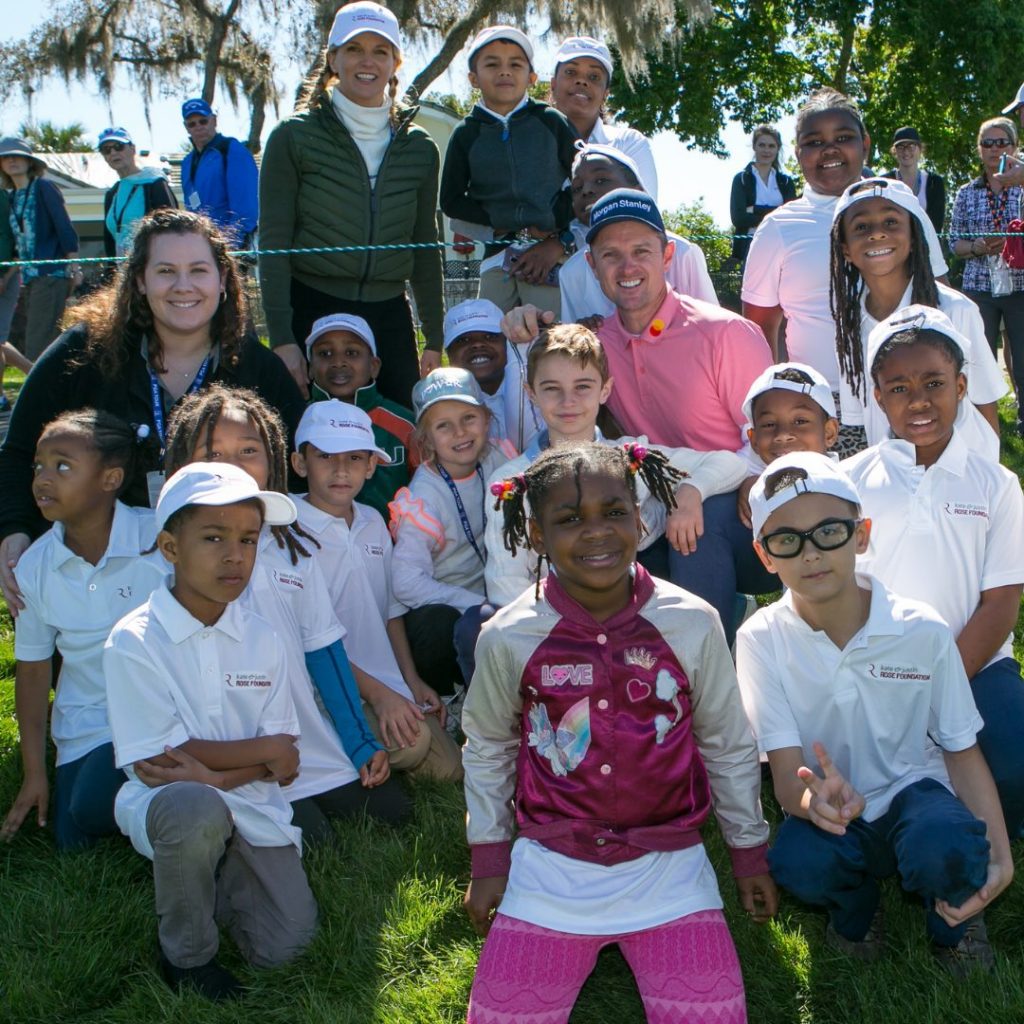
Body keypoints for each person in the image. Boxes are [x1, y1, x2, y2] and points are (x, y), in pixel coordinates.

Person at [463, 442, 776, 1023]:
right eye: (568, 520)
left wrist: (748, 854)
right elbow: (488, 746)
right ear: (535, 534)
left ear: (641, 518)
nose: (596, 534)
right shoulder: (508, 637)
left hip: (672, 867)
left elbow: (726, 741)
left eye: (614, 513)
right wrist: (490, 859)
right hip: (549, 869)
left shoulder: (692, 621)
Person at [737, 451, 1013, 976]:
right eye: (787, 540)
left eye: (829, 531)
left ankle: (953, 926)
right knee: (799, 859)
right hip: (837, 808)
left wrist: (1001, 856)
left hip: (917, 790)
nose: (812, 553)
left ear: (861, 534)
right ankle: (857, 914)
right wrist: (812, 799)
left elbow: (961, 748)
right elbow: (784, 774)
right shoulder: (758, 640)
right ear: (765, 556)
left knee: (948, 845)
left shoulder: (922, 629)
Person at [501, 187, 775, 648]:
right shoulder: (596, 344)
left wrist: (701, 487)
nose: (627, 268)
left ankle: (704, 680)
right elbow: (554, 367)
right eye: (610, 255)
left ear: (667, 255)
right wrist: (525, 324)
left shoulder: (726, 333)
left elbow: (768, 441)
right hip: (658, 511)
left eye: (641, 251)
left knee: (697, 522)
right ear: (591, 266)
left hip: (736, 511)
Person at [0, 208, 305, 615]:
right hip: (100, 578)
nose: (183, 286)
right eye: (165, 271)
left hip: (220, 579)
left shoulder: (256, 369)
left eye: (199, 270)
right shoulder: (82, 354)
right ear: (140, 281)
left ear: (223, 281)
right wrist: (14, 530)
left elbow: (299, 462)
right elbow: (18, 451)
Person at [103, 462, 318, 1000]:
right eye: (214, 538)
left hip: (251, 803)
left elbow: (287, 760)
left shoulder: (263, 638)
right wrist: (260, 754)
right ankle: (188, 956)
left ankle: (213, 875)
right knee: (191, 810)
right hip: (168, 799)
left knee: (290, 948)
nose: (235, 555)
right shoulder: (134, 640)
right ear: (171, 549)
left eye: (248, 539)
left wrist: (227, 776)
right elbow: (163, 759)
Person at [163, 384, 409, 840]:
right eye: (212, 452)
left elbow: (324, 648)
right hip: (224, 748)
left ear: (273, 460)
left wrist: (358, 742)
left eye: (248, 451)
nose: (232, 466)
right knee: (313, 840)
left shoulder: (291, 546)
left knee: (394, 814)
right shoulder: (168, 550)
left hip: (305, 743)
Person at [843, 307, 1024, 840]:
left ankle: (979, 834)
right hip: (876, 663)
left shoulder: (996, 485)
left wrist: (940, 683)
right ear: (877, 397)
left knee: (1015, 766)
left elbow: (1001, 602)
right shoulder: (849, 482)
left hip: (977, 661)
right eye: (898, 387)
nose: (918, 401)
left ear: (962, 386)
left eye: (934, 383)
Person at [259, 1, 445, 405]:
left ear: (395, 62)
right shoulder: (292, 137)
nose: (367, 61)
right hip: (311, 303)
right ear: (332, 59)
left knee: (402, 434)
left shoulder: (420, 148)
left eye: (381, 51)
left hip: (389, 312)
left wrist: (434, 335)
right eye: (354, 49)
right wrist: (283, 339)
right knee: (310, 437)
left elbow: (424, 245)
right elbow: (273, 243)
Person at [484, 323, 747, 607]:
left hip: (635, 604)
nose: (568, 401)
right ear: (531, 393)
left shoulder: (633, 457)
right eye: (551, 389)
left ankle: (704, 631)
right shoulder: (511, 481)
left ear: (605, 389)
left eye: (582, 387)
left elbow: (730, 464)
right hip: (556, 617)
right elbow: (505, 583)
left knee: (708, 510)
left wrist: (692, 491)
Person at [0, 410, 166, 850]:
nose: (43, 479)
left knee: (97, 801)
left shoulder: (159, 541)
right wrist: (36, 774)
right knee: (78, 827)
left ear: (111, 478)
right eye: (39, 467)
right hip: (88, 727)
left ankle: (172, 806)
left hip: (166, 716)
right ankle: (152, 798)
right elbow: (33, 672)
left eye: (62, 466)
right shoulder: (35, 566)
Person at [742, 89, 947, 441]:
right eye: (814, 141)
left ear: (864, 144)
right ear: (798, 154)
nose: (830, 149)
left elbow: (940, 304)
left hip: (910, 397)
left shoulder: (905, 210)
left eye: (843, 137)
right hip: (822, 404)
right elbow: (759, 331)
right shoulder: (778, 228)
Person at [290, 400, 463, 782]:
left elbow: (389, 612)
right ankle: (329, 755)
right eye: (325, 457)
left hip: (382, 680)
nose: (340, 470)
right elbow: (304, 641)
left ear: (371, 466)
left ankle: (366, 752)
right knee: (413, 745)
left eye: (354, 458)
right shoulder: (288, 531)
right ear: (299, 464)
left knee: (449, 769)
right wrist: (379, 696)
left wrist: (409, 682)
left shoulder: (371, 521)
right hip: (322, 687)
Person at [831, 177, 1005, 459]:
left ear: (913, 237)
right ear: (846, 249)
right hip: (895, 483)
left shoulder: (955, 309)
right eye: (861, 227)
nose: (877, 234)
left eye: (891, 222)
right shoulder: (848, 325)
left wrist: (990, 480)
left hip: (962, 481)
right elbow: (861, 418)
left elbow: (985, 404)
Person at [440, 25, 578, 316]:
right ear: (473, 78)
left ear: (531, 77)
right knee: (492, 333)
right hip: (496, 257)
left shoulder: (551, 122)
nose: (504, 71)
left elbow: (584, 182)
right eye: (492, 64)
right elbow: (451, 200)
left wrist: (556, 225)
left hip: (550, 254)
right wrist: (496, 223)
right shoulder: (466, 134)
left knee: (550, 335)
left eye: (515, 64)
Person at [389, 369, 507, 701]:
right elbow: (406, 582)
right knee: (433, 626)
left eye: (468, 417)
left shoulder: (499, 458)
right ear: (426, 439)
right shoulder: (425, 496)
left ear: (486, 419)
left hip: (497, 590)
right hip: (452, 603)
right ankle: (447, 696)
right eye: (443, 426)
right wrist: (475, 604)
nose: (460, 432)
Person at [561, 143, 717, 324]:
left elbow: (710, 323)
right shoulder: (571, 272)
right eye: (577, 188)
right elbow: (570, 343)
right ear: (593, 264)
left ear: (637, 190)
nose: (586, 190)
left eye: (601, 180)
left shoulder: (683, 253)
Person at [948, 117, 1024, 428]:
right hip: (979, 284)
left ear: (1015, 146)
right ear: (979, 150)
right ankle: (979, 421)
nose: (995, 149)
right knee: (978, 356)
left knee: (1022, 358)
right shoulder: (967, 192)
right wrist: (978, 246)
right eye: (987, 143)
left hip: (1020, 283)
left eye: (1001, 142)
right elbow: (953, 242)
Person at [304, 312, 417, 518]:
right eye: (325, 354)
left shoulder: (405, 423)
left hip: (395, 544)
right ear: (310, 367)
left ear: (374, 366)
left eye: (352, 353)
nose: (338, 362)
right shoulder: (298, 421)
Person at [0, 136, 81, 362]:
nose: (12, 160)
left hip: (51, 274)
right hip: (30, 279)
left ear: (29, 162)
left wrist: (75, 267)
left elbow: (64, 227)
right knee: (48, 343)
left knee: (39, 345)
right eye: (5, 157)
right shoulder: (12, 197)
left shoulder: (44, 187)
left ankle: (43, 396)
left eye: (18, 156)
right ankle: (59, 395)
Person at [548, 35, 658, 202]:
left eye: (594, 77)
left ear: (605, 93)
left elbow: (644, 218)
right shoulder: (524, 140)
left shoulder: (628, 143)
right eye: (571, 72)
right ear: (553, 84)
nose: (581, 81)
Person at [735, 361, 839, 528]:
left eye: (800, 421)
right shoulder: (750, 503)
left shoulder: (858, 491)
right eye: (769, 424)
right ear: (753, 440)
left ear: (829, 432)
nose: (783, 435)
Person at [443, 297, 541, 454]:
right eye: (464, 340)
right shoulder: (441, 409)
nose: (477, 345)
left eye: (489, 337)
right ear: (449, 354)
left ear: (508, 342)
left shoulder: (536, 388)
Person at [179, 99, 258, 250]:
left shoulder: (232, 150)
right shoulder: (187, 163)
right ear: (186, 127)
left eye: (203, 121)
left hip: (231, 248)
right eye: (192, 123)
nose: (199, 127)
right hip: (201, 247)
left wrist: (228, 246)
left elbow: (247, 208)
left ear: (214, 120)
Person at [97, 127, 177, 258]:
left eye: (118, 146)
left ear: (132, 149)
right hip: (124, 270)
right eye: (106, 150)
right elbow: (110, 242)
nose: (112, 152)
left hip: (154, 265)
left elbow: (171, 229)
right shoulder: (112, 194)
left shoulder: (154, 183)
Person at [729, 125, 797, 263]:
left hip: (782, 245)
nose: (766, 150)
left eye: (771, 146)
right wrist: (776, 212)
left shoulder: (786, 182)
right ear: (754, 147)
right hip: (750, 245)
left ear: (778, 149)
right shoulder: (741, 179)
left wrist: (754, 209)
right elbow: (739, 219)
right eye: (762, 145)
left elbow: (790, 217)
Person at [882, 126, 946, 235]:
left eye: (911, 146)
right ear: (894, 151)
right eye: (901, 147)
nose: (906, 151)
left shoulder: (935, 183)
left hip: (926, 246)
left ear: (920, 149)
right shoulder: (883, 182)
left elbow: (936, 226)